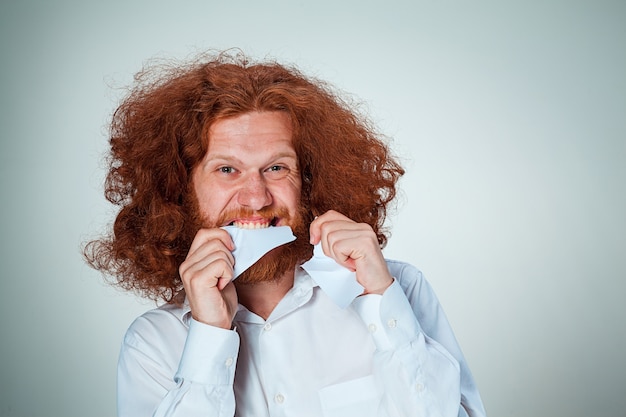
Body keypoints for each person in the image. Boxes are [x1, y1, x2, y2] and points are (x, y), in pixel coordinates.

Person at [85, 51, 486, 417]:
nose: (256, 198)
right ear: (179, 188)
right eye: (228, 170)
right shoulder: (154, 342)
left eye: (276, 168)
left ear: (308, 179)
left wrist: (382, 297)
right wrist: (209, 336)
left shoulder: (400, 290)